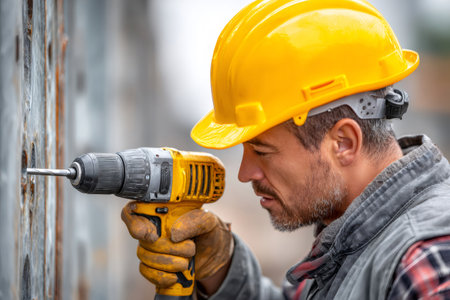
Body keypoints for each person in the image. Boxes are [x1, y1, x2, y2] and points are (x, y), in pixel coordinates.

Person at [121, 0, 450, 299]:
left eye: (262, 151)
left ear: (344, 143)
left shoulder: (426, 265)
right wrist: (220, 270)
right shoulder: (346, 239)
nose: (244, 173)